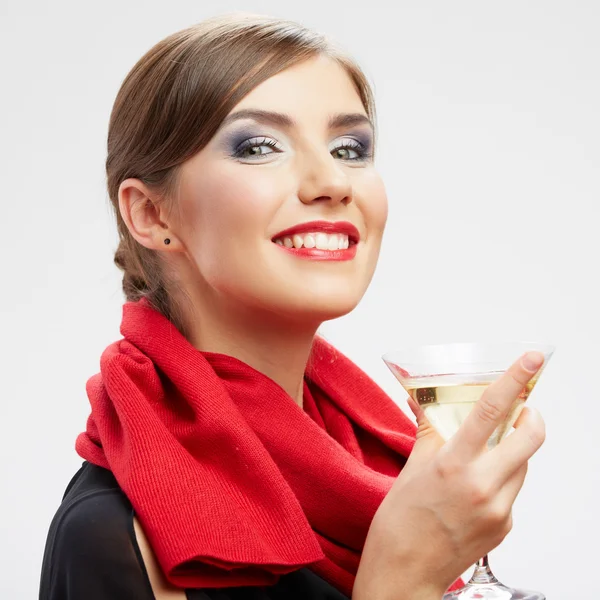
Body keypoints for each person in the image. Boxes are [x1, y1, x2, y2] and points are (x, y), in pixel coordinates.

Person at [38, 13, 546, 600]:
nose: (332, 180)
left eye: (350, 147)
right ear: (152, 214)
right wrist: (402, 578)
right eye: (259, 146)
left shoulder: (384, 465)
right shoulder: (113, 534)